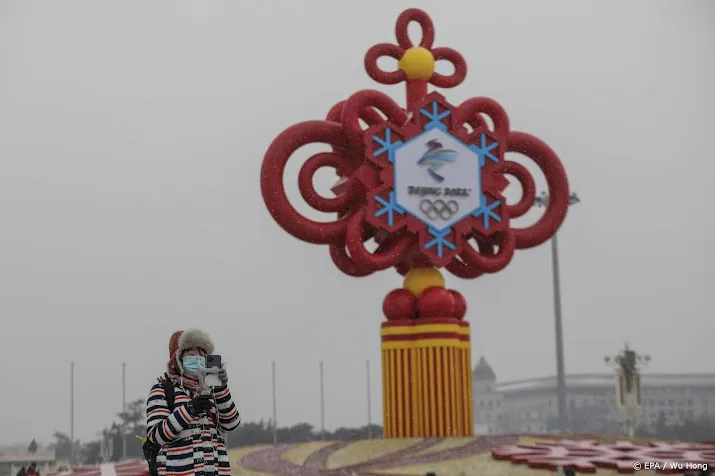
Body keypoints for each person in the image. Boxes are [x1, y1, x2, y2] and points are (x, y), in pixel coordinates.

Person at [145, 329, 240, 476]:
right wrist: (190, 409)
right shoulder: (163, 389)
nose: (198, 358)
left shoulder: (212, 389)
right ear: (177, 359)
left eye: (202, 355)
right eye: (191, 354)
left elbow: (232, 424)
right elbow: (157, 435)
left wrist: (221, 389)